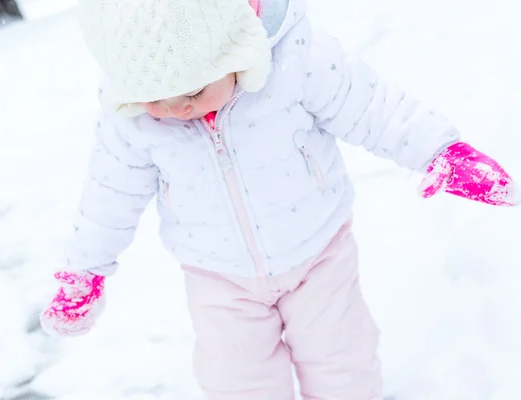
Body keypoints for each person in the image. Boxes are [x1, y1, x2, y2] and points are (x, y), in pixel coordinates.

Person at [40, 0, 519, 398]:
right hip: (218, 277)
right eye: (153, 97)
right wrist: (85, 272)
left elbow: (372, 107)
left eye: (190, 90)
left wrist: (440, 150)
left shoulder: (295, 59)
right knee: (237, 382)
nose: (174, 109)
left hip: (319, 256)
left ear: (233, 51)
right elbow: (109, 192)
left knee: (342, 364)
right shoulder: (131, 115)